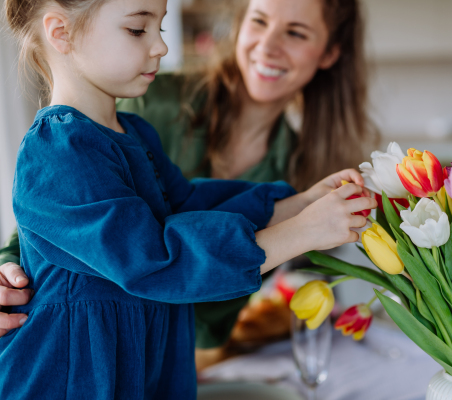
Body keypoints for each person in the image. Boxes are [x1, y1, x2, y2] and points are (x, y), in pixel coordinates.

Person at [0, 0, 376, 398]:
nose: (160, 47)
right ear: (60, 32)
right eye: (136, 30)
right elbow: (156, 261)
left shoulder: (136, 133)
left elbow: (191, 208)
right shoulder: (58, 149)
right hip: (69, 382)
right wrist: (301, 232)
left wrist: (299, 204)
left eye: (159, 29)